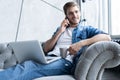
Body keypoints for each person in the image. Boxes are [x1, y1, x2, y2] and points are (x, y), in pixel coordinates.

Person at [0, 1, 111, 80]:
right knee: (26, 64)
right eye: (71, 13)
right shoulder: (60, 29)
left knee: (29, 67)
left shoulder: (85, 29)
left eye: (76, 12)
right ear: (66, 16)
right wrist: (59, 32)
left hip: (65, 62)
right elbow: (46, 48)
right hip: (50, 58)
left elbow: (107, 37)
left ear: (80, 12)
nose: (75, 15)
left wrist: (81, 43)